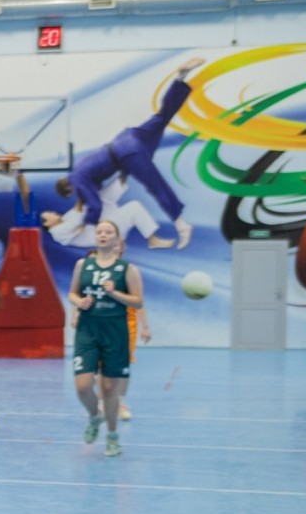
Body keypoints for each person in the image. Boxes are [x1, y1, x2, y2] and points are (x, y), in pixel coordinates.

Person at [54, 58, 204, 249]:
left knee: (156, 185)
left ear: (69, 189)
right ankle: (180, 78)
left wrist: (87, 224)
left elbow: (96, 205)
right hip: (127, 138)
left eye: (73, 193)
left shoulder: (76, 180)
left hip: (126, 153)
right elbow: (97, 180)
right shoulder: (79, 168)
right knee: (162, 116)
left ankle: (181, 225)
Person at [69, 220, 144, 457]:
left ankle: (112, 436)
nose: (102, 235)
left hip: (115, 331)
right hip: (88, 330)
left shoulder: (127, 269)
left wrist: (114, 293)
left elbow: (138, 302)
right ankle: (95, 416)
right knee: (83, 387)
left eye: (108, 232)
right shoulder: (83, 265)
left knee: (110, 388)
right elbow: (72, 293)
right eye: (99, 231)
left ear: (117, 240)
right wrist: (79, 302)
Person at [41, 175, 173, 250]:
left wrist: (86, 187)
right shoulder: (57, 233)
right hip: (105, 233)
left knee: (102, 199)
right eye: (49, 214)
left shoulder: (64, 219)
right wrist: (81, 189)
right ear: (47, 224)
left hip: (99, 222)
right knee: (134, 207)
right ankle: (153, 240)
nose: (53, 212)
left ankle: (123, 175)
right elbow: (79, 217)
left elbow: (84, 209)